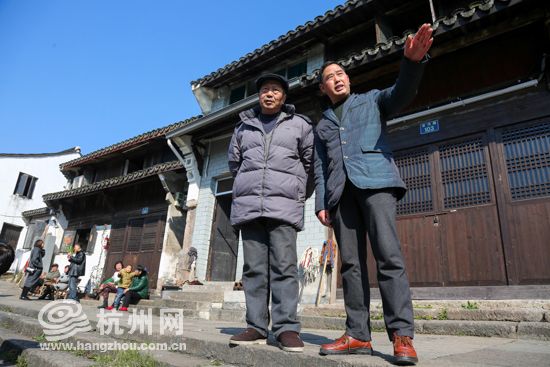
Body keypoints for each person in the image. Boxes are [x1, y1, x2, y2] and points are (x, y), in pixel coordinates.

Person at [313, 24, 433, 366]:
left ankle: (402, 336)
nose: (337, 78)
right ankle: (358, 335)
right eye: (330, 77)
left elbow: (401, 94)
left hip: (376, 183)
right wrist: (322, 203)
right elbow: (320, 167)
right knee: (350, 264)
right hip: (340, 196)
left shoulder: (371, 100)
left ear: (347, 79)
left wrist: (412, 63)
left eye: (341, 73)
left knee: (388, 256)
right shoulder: (321, 125)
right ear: (323, 88)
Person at [227, 73, 314, 352]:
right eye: (265, 89)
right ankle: (255, 326)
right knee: (253, 269)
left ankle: (286, 328)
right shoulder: (243, 127)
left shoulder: (299, 124)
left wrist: (299, 194)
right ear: (259, 95)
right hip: (250, 207)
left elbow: (311, 164)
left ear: (284, 97)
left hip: (284, 207)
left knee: (285, 268)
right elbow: (234, 165)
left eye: (275, 90)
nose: (270, 94)